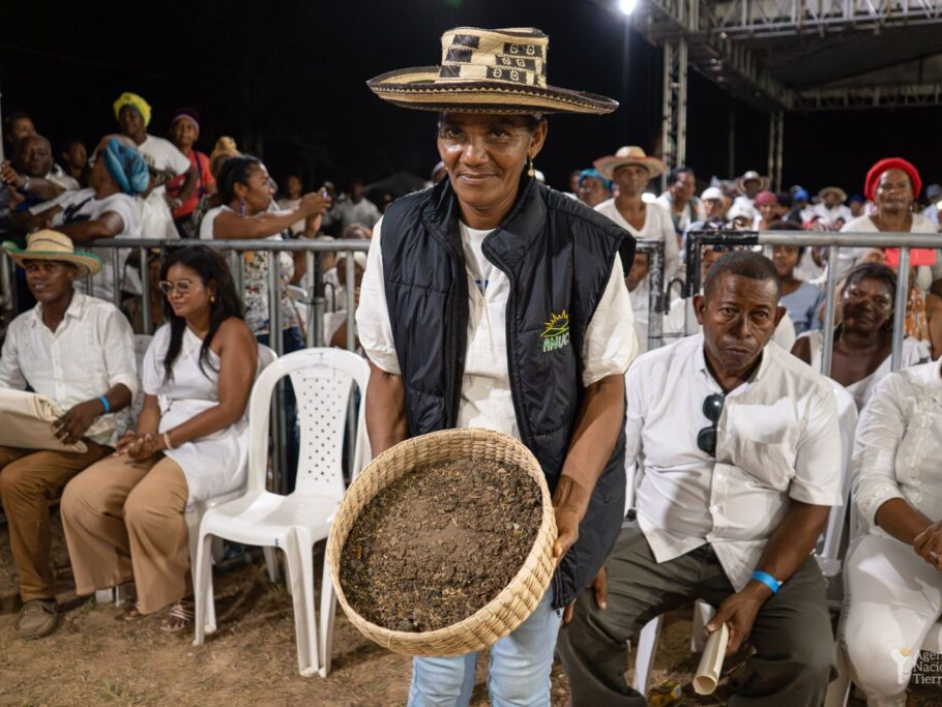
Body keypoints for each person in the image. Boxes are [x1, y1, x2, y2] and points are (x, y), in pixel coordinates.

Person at [360, 26, 637, 705]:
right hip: (438, 482)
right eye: (454, 130)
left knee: (519, 673)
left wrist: (570, 507)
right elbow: (388, 373)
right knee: (439, 669)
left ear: (536, 137)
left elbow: (605, 387)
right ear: (437, 134)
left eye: (500, 133)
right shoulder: (399, 233)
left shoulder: (589, 245)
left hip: (541, 488)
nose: (472, 154)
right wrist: (395, 495)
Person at [559, 251, 843, 706]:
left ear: (778, 319)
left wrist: (757, 590)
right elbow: (612, 468)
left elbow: (813, 507)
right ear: (700, 309)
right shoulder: (651, 372)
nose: (743, 330)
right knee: (578, 610)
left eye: (759, 316)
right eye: (729, 311)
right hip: (660, 536)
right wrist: (590, 550)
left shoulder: (809, 393)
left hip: (763, 547)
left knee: (807, 656)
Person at [61, 245, 257, 632]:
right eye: (168, 287)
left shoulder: (232, 332)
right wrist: (144, 438)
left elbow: (229, 409)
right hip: (167, 437)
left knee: (146, 506)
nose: (175, 295)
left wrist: (163, 440)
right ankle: (145, 574)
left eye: (185, 285)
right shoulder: (167, 335)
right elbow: (150, 403)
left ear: (212, 286)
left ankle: (183, 591)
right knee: (81, 497)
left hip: (217, 443)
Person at [0, 231, 138, 639]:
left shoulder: (103, 316)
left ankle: (38, 596)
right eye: (31, 267)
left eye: (49, 266)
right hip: (41, 432)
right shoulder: (22, 328)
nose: (38, 275)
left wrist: (94, 405)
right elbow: (5, 386)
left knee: (17, 480)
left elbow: (127, 384)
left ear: (72, 272)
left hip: (94, 434)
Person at [200, 155, 330, 489]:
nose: (270, 187)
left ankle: (292, 490)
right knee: (251, 415)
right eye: (263, 181)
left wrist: (310, 232)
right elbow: (253, 229)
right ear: (240, 189)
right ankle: (244, 490)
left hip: (284, 329)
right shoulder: (219, 218)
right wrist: (301, 209)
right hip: (245, 335)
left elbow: (293, 274)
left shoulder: (273, 228)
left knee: (288, 414)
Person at [839, 357, 942, 706]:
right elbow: (870, 483)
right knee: (877, 663)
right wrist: (931, 541)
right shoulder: (901, 387)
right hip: (901, 544)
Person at [24, 136, 147, 303]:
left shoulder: (123, 201)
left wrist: (49, 234)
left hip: (97, 298)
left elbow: (103, 228)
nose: (90, 167)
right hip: (67, 293)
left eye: (95, 161)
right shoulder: (86, 199)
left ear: (107, 169)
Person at [792, 263, 928, 409]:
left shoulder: (909, 355)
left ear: (892, 310)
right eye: (856, 294)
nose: (866, 305)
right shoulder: (808, 346)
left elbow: (920, 419)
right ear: (841, 294)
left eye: (880, 301)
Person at [664, 244, 797, 351]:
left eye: (729, 266)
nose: (743, 331)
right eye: (709, 265)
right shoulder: (680, 309)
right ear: (701, 309)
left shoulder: (774, 313)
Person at [838, 158, 940, 289]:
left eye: (902, 186)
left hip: (917, 308)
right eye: (887, 186)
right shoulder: (853, 230)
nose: (894, 191)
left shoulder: (926, 227)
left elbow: (938, 276)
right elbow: (833, 282)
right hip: (864, 308)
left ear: (911, 194)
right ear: (874, 194)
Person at [114, 92, 195, 240]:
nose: (126, 119)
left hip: (156, 212)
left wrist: (178, 201)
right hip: (124, 209)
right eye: (122, 116)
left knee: (155, 255)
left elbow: (192, 173)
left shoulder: (161, 146)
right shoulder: (113, 148)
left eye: (132, 115)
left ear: (143, 120)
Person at [594, 146, 679, 278]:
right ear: (615, 177)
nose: (633, 177)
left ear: (647, 177)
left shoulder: (660, 212)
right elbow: (595, 259)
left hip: (654, 293)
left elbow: (672, 258)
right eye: (626, 172)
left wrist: (660, 290)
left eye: (639, 172)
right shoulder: (601, 213)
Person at [165, 109, 216, 239]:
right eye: (179, 127)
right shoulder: (163, 158)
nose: (184, 131)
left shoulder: (202, 160)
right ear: (172, 131)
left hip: (195, 221)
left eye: (189, 127)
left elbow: (212, 193)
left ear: (196, 135)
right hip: (167, 220)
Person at [770, 223, 825, 335]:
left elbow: (814, 340)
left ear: (799, 257)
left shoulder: (813, 294)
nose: (781, 255)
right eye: (775, 249)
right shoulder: (751, 291)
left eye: (789, 250)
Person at [656, 166, 704, 240]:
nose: (691, 187)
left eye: (692, 184)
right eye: (685, 183)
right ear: (672, 185)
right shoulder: (659, 205)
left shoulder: (697, 204)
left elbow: (701, 231)